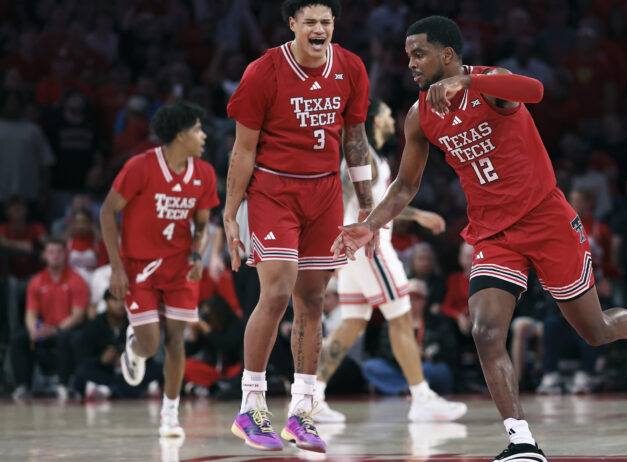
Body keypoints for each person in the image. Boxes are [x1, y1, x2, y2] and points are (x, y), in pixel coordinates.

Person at [332, 16, 627, 461]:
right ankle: (521, 441)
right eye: (408, 55)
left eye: (418, 54)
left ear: (447, 55)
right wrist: (368, 223)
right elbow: (406, 187)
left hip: (546, 218)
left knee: (596, 330)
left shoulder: (492, 83)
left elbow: (537, 92)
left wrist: (467, 81)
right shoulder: (419, 115)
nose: (408, 63)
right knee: (487, 331)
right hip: (494, 233)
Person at [223, 0, 373, 453]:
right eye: (310, 21)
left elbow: (354, 138)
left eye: (326, 21)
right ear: (292, 25)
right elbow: (243, 150)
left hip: (325, 194)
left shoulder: (351, 67)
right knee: (276, 291)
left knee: (312, 298)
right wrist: (230, 213)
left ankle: (303, 413)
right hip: (272, 192)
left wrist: (366, 204)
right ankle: (251, 407)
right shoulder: (263, 71)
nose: (319, 29)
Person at [311, 98, 466, 424]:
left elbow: (375, 202)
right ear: (372, 120)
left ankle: (311, 395)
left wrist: (418, 214)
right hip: (371, 249)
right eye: (385, 115)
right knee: (400, 316)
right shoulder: (363, 152)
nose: (391, 121)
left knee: (352, 322)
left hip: (352, 253)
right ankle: (422, 397)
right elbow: (343, 196)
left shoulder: (370, 157)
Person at [100, 101, 219, 437]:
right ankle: (134, 347)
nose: (204, 136)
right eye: (198, 129)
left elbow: (202, 225)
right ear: (180, 135)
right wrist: (116, 268)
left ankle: (170, 414)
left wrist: (197, 256)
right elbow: (108, 212)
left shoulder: (205, 173)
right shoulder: (140, 166)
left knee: (176, 339)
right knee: (151, 344)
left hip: (180, 266)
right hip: (139, 266)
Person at [10, 238, 88, 399]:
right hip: (44, 330)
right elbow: (31, 313)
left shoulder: (76, 280)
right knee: (18, 340)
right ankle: (22, 386)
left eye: (59, 252)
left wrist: (57, 329)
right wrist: (34, 330)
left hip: (67, 329)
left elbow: (78, 315)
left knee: (64, 338)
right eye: (51, 252)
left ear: (65, 254)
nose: (55, 256)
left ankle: (63, 385)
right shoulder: (36, 281)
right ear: (44, 255)